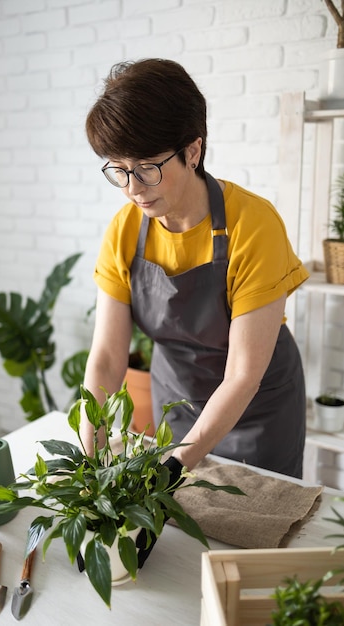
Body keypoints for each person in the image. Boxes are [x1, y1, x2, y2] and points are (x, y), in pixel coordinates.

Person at [82, 58, 309, 483]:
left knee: (256, 526)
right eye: (119, 170)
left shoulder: (254, 225)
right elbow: (109, 357)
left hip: (258, 408)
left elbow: (243, 376)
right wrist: (89, 446)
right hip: (178, 405)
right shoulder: (125, 231)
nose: (132, 188)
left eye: (147, 168)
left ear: (193, 150)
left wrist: (175, 465)